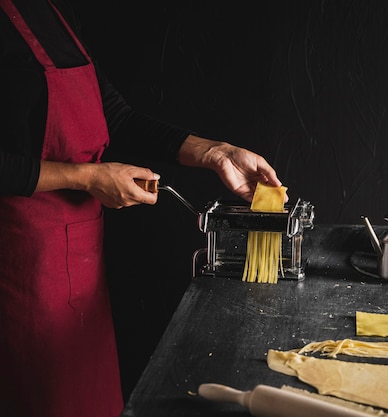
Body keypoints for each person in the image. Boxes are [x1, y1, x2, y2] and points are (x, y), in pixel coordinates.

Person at [0, 0, 285, 416]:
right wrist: (87, 178)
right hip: (19, 267)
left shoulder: (46, 14)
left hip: (78, 268)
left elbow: (115, 115)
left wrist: (216, 153)